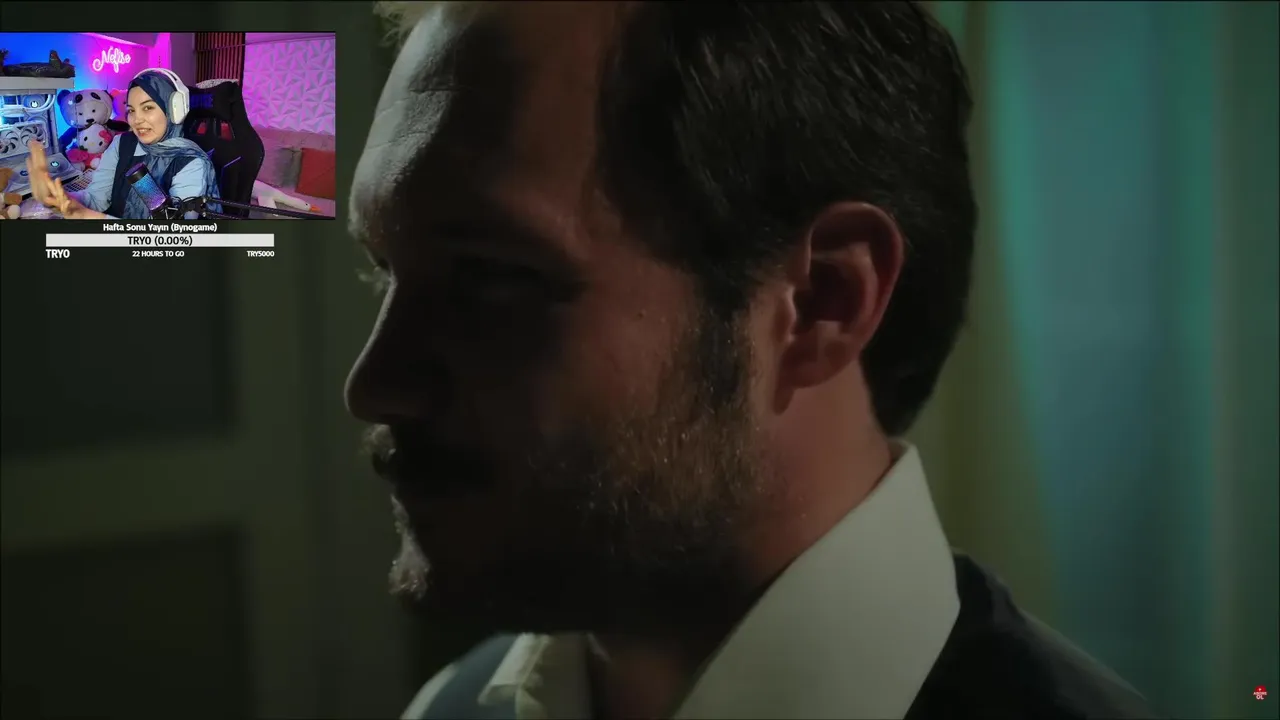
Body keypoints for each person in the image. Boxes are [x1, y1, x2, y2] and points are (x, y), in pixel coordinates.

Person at [346, 2, 1162, 719]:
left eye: (489, 279)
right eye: (384, 268)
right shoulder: (453, 707)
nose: (374, 385)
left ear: (823, 301)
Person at [25, 67, 218, 220]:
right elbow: (96, 199)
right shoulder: (121, 144)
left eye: (148, 108)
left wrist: (83, 215)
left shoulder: (191, 163)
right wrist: (60, 199)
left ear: (174, 109)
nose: (136, 120)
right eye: (131, 110)